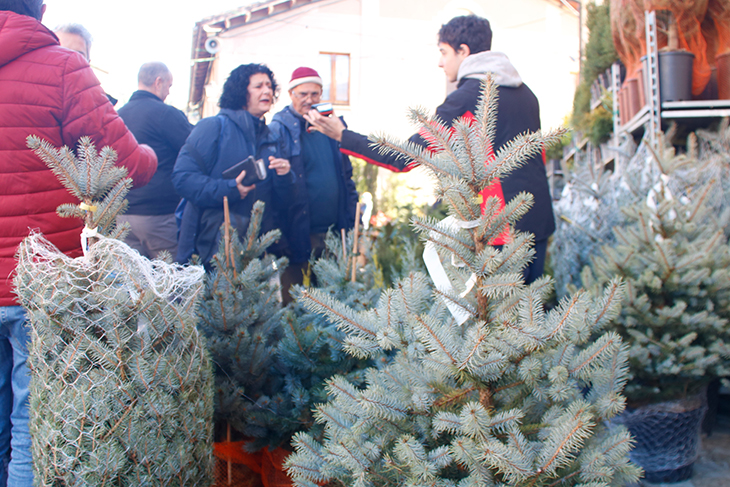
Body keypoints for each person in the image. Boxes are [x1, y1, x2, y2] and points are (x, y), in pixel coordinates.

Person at [0, 2, 157, 486]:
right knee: (32, 425)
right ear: (39, 7)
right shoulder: (63, 67)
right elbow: (127, 163)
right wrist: (150, 153)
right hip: (41, 281)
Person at [305, 15, 555, 284]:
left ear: (464, 51)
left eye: (444, 52)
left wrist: (343, 136)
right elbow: (538, 157)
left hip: (499, 230)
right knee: (528, 316)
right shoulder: (527, 94)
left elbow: (407, 157)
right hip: (538, 219)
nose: (440, 62)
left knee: (497, 320)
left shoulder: (466, 98)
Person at [173, 63, 294, 267]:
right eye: (258, 86)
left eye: (269, 86)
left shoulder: (273, 137)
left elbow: (282, 202)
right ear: (240, 92)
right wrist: (230, 189)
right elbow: (182, 178)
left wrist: (285, 177)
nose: (267, 91)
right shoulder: (212, 127)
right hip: (210, 249)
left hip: (256, 255)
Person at [268, 67, 358, 304]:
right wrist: (279, 234)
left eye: (315, 94)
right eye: (302, 94)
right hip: (297, 233)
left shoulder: (331, 125)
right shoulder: (279, 129)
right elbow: (273, 187)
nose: (309, 100)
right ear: (291, 94)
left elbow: (346, 176)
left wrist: (350, 219)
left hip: (332, 232)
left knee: (334, 303)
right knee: (297, 303)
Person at [117, 62, 193, 259]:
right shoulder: (166, 114)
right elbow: (194, 150)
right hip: (158, 215)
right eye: (169, 85)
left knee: (134, 283)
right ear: (158, 82)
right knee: (170, 281)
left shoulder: (118, 115)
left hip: (122, 214)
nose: (168, 92)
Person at [54, 22, 118, 105]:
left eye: (78, 56)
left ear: (88, 63)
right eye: (61, 53)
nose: (68, 61)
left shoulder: (101, 107)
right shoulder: (33, 96)